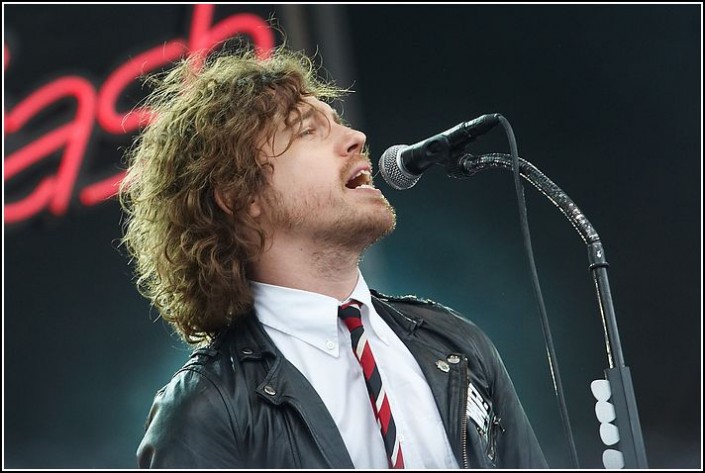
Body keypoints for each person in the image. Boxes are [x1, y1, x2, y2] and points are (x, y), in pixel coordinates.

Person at [122, 44, 548, 469]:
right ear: (239, 195)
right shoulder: (206, 409)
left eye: (339, 122)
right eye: (309, 130)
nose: (356, 138)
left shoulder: (457, 343)